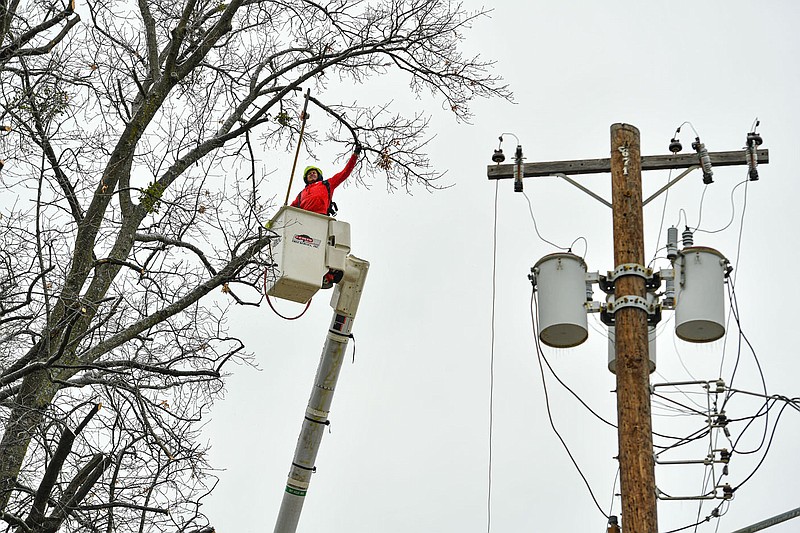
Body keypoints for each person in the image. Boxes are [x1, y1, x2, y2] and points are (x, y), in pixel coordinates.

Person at [291, 143, 362, 216]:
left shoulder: (327, 184)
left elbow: (344, 173)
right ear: (306, 178)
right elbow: (291, 208)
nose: (312, 174)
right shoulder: (301, 194)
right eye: (309, 174)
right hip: (305, 218)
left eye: (314, 173)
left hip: (321, 217)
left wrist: (355, 155)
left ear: (318, 175)